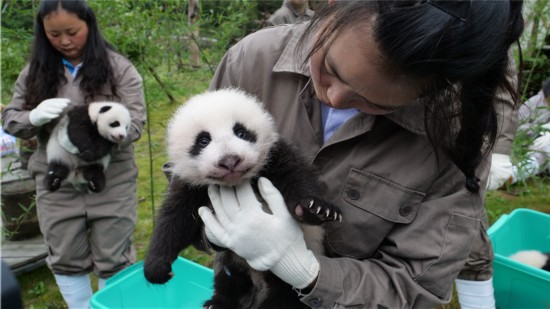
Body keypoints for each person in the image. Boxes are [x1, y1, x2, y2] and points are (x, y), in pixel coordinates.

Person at [198, 1, 524, 308]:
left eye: (377, 104)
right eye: (330, 67)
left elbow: (417, 286)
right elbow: (188, 170)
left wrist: (306, 272)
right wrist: (210, 229)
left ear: (432, 89)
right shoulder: (252, 61)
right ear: (332, 4)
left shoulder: (455, 140)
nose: (334, 98)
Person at [1, 1, 146, 308]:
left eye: (72, 31)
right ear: (43, 33)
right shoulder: (35, 73)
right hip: (58, 182)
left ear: (89, 26)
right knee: (64, 254)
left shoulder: (118, 69)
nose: (65, 41)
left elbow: (135, 124)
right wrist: (32, 118)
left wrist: (95, 136)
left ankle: (110, 305)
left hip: (111, 180)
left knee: (114, 255)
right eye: (54, 34)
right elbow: (11, 118)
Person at [511, 77, 550, 182]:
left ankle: (514, 175)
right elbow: (516, 124)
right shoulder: (535, 102)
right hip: (525, 143)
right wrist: (535, 129)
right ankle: (512, 174)